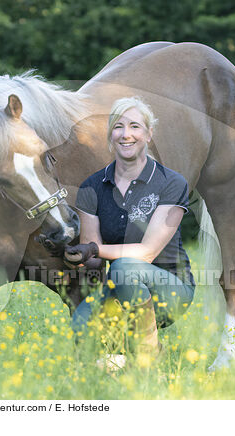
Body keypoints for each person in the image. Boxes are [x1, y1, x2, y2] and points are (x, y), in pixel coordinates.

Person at [64, 96, 195, 365]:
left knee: (124, 268)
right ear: (110, 135)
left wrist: (94, 248)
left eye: (135, 126)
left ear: (149, 134)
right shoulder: (91, 187)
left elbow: (147, 253)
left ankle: (147, 358)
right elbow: (94, 258)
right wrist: (72, 252)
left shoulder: (171, 182)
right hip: (118, 285)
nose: (126, 135)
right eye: (119, 127)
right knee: (80, 323)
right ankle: (121, 353)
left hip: (170, 290)